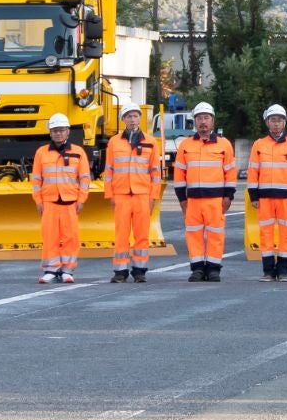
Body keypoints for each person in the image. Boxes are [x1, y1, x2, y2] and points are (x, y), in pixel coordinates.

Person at [172, 101, 236, 282]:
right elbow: (179, 174)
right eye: (199, 118)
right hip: (193, 201)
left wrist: (228, 196)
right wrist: (181, 199)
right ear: (194, 121)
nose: (203, 122)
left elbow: (230, 172)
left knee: (216, 234)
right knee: (194, 235)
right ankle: (198, 269)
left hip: (216, 200)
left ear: (213, 121)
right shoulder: (185, 145)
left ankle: (214, 269)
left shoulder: (224, 145)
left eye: (206, 118)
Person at [102, 103, 161, 283]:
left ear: (139, 118)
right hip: (121, 195)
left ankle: (139, 270)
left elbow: (155, 173)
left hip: (142, 195)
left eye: (135, 116)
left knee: (142, 234)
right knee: (121, 234)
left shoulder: (151, 142)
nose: (132, 119)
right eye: (128, 116)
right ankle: (120, 271)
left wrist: (153, 197)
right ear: (123, 120)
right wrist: (109, 194)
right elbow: (109, 170)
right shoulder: (114, 142)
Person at [247, 103, 287, 282]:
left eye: (279, 120)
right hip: (264, 199)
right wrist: (254, 196)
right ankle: (268, 271)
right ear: (267, 122)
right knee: (266, 234)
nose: (276, 124)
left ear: (285, 123)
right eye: (273, 120)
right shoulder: (259, 145)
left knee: (286, 234)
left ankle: (283, 270)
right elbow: (252, 172)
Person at [31, 112, 89, 284]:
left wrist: (81, 199)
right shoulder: (41, 153)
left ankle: (67, 270)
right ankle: (51, 269)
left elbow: (85, 178)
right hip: (49, 202)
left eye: (61, 130)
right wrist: (38, 201)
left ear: (68, 131)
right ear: (50, 132)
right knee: (50, 236)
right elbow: (36, 179)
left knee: (70, 236)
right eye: (55, 130)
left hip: (70, 201)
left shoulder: (78, 152)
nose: (58, 133)